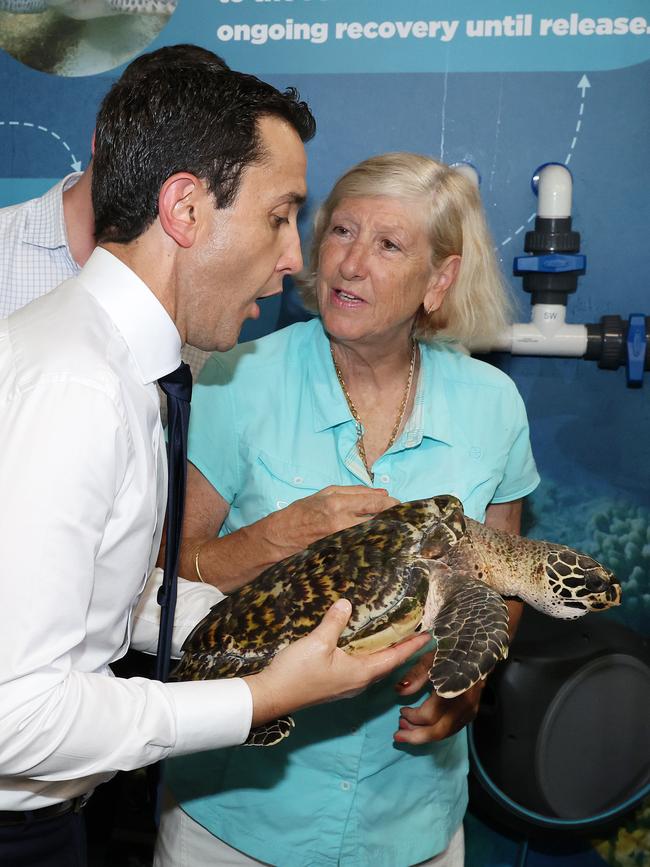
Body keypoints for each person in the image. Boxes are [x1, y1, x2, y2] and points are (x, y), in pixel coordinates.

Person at [0, 60, 430, 867]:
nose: (294, 259)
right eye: (279, 216)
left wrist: (297, 619)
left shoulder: (122, 364)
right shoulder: (79, 387)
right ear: (187, 209)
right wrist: (259, 697)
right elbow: (14, 713)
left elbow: (99, 587)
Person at [155, 152, 541, 867]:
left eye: (388, 244)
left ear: (440, 279)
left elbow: (503, 570)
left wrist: (474, 674)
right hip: (238, 812)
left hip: (410, 817)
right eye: (340, 231)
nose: (349, 263)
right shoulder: (240, 377)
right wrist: (274, 537)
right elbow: (163, 570)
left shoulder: (494, 405)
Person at [0, 43, 231, 385]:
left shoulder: (201, 294)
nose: (175, 189)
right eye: (153, 149)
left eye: (197, 163)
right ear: (105, 140)